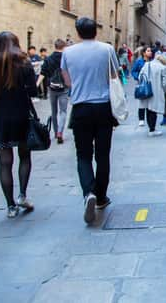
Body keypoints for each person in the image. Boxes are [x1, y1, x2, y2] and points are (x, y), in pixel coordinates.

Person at [61, 17, 119, 224]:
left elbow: (68, 81)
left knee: (83, 154)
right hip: (103, 107)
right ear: (96, 30)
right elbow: (114, 75)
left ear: (78, 32)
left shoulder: (67, 52)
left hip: (81, 108)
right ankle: (101, 196)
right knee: (103, 154)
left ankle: (88, 193)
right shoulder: (107, 49)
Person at [0, 31, 37, 218]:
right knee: (24, 156)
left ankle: (10, 206)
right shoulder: (23, 63)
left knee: (5, 163)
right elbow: (33, 91)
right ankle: (22, 195)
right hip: (21, 117)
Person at [37, 39, 68, 144]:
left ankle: (55, 133)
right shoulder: (66, 58)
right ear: (64, 47)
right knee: (63, 111)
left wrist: (36, 84)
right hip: (64, 88)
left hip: (52, 88)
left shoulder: (48, 59)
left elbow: (43, 73)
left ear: (55, 46)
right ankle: (60, 132)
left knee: (54, 111)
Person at [139, 52, 166, 136]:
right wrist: (164, 91)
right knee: (153, 110)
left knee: (148, 109)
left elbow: (140, 76)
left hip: (146, 90)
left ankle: (151, 128)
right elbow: (165, 82)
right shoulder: (163, 67)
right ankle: (152, 130)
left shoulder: (146, 64)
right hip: (157, 91)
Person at [132, 45, 153, 127]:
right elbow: (133, 71)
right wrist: (138, 77)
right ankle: (141, 119)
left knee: (150, 102)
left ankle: (149, 119)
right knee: (142, 102)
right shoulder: (139, 61)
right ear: (144, 53)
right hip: (141, 83)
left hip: (150, 83)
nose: (150, 52)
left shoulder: (153, 61)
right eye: (148, 51)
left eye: (150, 51)